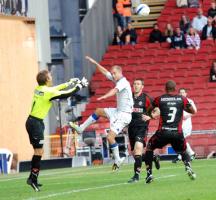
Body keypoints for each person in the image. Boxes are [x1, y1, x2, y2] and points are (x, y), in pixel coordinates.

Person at [26, 70, 89, 191]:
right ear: (47, 79)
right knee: (39, 152)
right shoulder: (47, 92)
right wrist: (79, 86)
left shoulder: (39, 89)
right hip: (35, 123)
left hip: (32, 121)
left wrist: (68, 83)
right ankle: (32, 179)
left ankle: (32, 178)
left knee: (38, 151)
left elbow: (55, 89)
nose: (52, 76)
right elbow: (65, 94)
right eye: (50, 76)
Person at [69, 56, 133, 171]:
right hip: (118, 111)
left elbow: (114, 91)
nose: (112, 75)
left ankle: (118, 159)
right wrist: (94, 62)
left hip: (124, 115)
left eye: (114, 73)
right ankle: (81, 128)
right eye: (112, 73)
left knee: (110, 137)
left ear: (119, 72)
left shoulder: (123, 82)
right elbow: (105, 72)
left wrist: (105, 96)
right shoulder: (117, 79)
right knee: (98, 111)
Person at [142, 80, 197, 184]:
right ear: (175, 89)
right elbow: (193, 111)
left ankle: (149, 174)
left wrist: (150, 115)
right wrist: (182, 109)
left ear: (165, 88)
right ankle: (188, 167)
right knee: (183, 150)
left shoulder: (160, 99)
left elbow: (149, 109)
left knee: (149, 147)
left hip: (163, 132)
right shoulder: (182, 99)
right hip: (177, 132)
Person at [127, 78, 160, 183]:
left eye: (138, 84)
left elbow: (158, 110)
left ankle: (136, 176)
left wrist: (150, 116)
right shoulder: (128, 97)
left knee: (138, 148)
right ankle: (153, 157)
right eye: (134, 84)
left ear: (142, 86)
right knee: (136, 154)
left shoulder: (146, 98)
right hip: (131, 128)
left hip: (142, 128)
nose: (136, 85)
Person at [172, 88, 197, 163]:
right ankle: (189, 154)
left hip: (186, 124)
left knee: (181, 139)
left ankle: (186, 155)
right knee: (179, 140)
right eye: (180, 92)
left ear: (186, 94)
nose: (181, 94)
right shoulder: (177, 101)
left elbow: (194, 111)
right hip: (178, 124)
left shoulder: (190, 101)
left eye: (183, 92)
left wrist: (188, 115)